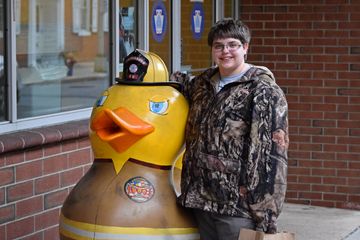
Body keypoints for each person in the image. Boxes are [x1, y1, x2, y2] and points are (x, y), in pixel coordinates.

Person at [170, 18, 289, 240]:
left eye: (233, 44)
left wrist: (266, 215)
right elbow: (177, 84)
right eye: (219, 46)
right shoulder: (203, 85)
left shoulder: (263, 92)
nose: (226, 51)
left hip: (238, 208)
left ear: (245, 47)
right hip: (201, 201)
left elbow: (271, 158)